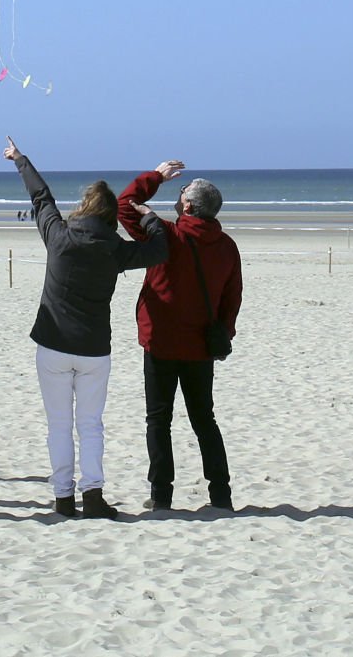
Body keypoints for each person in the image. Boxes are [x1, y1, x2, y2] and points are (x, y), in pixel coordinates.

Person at [3, 137, 167, 519]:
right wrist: (148, 217)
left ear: (84, 208)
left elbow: (41, 198)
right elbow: (159, 249)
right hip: (94, 350)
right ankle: (92, 495)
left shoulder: (59, 236)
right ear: (110, 217)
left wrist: (20, 159)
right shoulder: (116, 249)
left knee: (59, 426)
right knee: (90, 425)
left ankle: (63, 497)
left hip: (53, 346)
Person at [118, 161, 243, 513]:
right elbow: (232, 300)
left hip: (162, 343)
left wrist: (155, 177)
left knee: (159, 419)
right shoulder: (225, 245)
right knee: (204, 419)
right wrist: (222, 333)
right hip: (200, 346)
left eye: (182, 194)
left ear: (188, 206)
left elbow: (123, 205)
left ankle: (162, 496)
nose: (178, 197)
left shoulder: (166, 235)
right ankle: (220, 495)